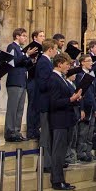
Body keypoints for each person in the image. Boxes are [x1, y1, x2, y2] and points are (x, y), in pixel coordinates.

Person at [46, 53, 80, 190]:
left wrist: (75, 97)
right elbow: (53, 102)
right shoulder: (53, 78)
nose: (69, 67)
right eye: (67, 64)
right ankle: (56, 180)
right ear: (59, 64)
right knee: (58, 152)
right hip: (59, 119)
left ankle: (60, 179)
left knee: (62, 152)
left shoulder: (62, 78)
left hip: (66, 119)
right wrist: (71, 99)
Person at [4, 28, 31, 142]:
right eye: (23, 36)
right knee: (13, 108)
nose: (25, 38)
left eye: (25, 36)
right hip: (14, 81)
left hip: (22, 81)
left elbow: (24, 63)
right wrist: (26, 54)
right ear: (17, 36)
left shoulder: (20, 49)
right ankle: (10, 132)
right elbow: (13, 61)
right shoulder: (12, 47)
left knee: (20, 108)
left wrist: (30, 58)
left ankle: (17, 131)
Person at [34, 40, 56, 171]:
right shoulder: (43, 62)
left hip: (48, 102)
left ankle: (48, 162)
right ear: (50, 49)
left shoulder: (46, 61)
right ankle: (44, 164)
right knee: (45, 135)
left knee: (48, 135)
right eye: (55, 49)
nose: (56, 51)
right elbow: (42, 84)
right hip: (44, 102)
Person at [24, 29, 46, 140]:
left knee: (38, 105)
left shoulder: (43, 50)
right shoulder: (30, 49)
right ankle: (30, 130)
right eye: (41, 36)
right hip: (32, 80)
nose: (43, 37)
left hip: (39, 80)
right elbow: (27, 64)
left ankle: (36, 128)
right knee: (32, 105)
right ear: (34, 38)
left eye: (43, 35)